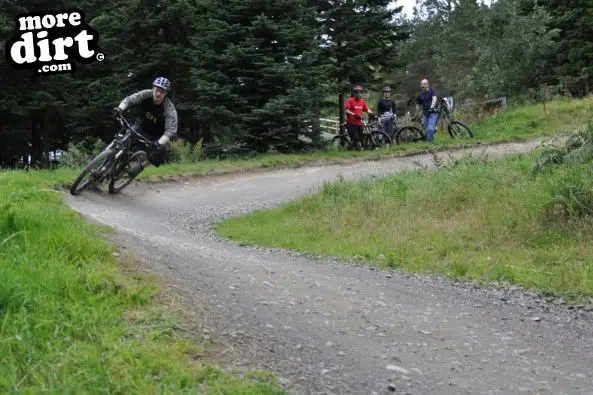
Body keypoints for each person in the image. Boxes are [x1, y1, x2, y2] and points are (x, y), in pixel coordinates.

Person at [112, 76, 178, 176]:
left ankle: (140, 167)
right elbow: (130, 100)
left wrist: (158, 143)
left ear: (165, 94)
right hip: (141, 125)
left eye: (162, 92)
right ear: (153, 88)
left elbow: (170, 131)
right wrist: (120, 109)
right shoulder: (146, 94)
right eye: (157, 90)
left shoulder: (169, 109)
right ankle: (112, 163)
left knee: (163, 149)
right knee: (125, 139)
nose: (158, 93)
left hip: (158, 136)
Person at [344, 84, 374, 150]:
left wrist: (372, 114)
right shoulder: (350, 100)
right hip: (351, 123)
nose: (359, 94)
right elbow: (346, 110)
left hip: (359, 123)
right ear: (354, 93)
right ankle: (351, 149)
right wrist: (354, 114)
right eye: (357, 92)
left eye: (360, 92)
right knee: (355, 138)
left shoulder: (362, 101)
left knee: (361, 138)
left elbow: (367, 109)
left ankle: (354, 149)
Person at [414, 79, 439, 143]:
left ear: (427, 84)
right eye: (422, 84)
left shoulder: (432, 90)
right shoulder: (420, 95)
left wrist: (431, 108)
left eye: (424, 84)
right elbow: (417, 106)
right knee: (427, 129)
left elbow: (434, 99)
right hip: (425, 114)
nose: (423, 85)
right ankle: (431, 140)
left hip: (433, 112)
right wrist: (416, 115)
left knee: (430, 128)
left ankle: (428, 143)